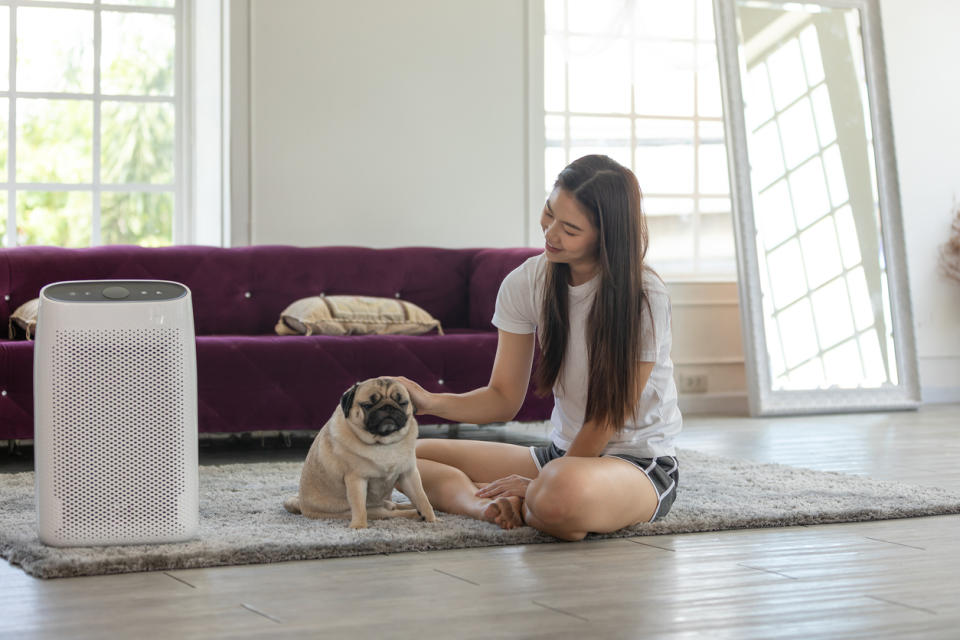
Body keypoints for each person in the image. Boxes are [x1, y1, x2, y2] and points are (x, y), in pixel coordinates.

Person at [396, 154, 681, 541]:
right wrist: (430, 402)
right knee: (400, 456)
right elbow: (502, 398)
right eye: (549, 213)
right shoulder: (526, 282)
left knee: (559, 493)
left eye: (570, 228)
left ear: (606, 235)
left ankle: (541, 498)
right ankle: (484, 507)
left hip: (634, 463)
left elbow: (607, 418)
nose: (550, 234)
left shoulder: (645, 297)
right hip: (562, 455)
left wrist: (544, 480)